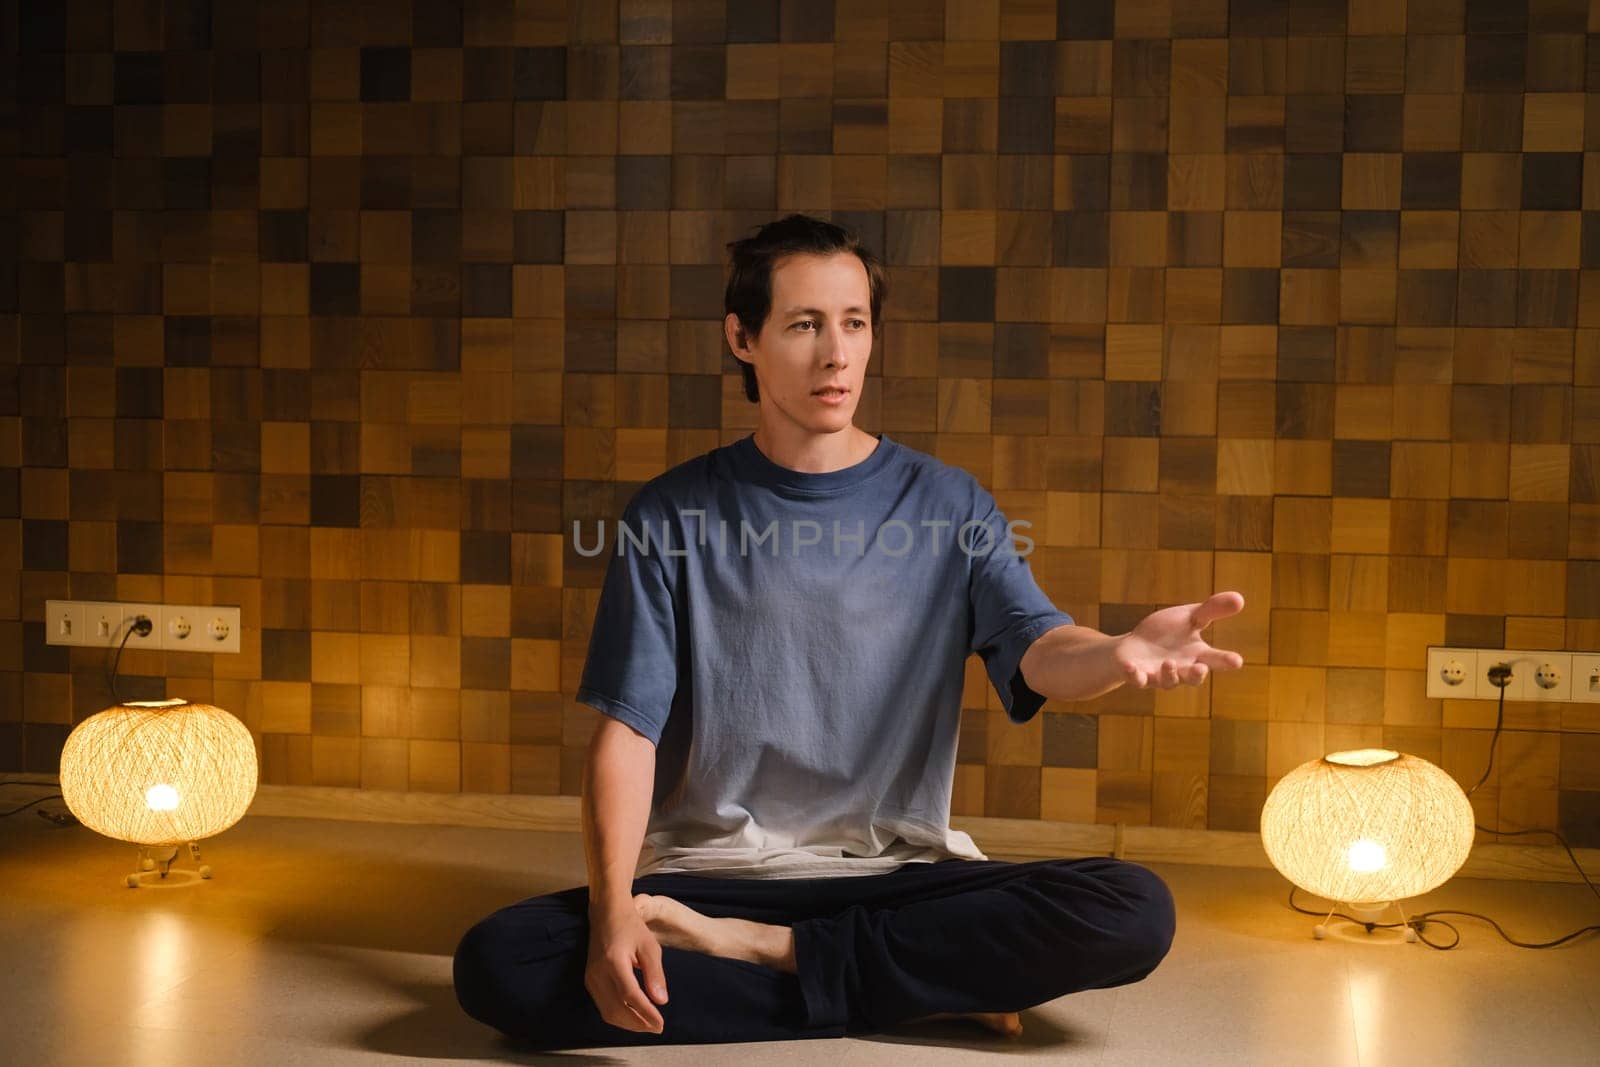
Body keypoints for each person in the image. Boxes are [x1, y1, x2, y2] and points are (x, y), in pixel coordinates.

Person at [453, 214, 1245, 1049]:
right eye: (804, 324)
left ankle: (773, 957)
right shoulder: (669, 514)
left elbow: (1041, 649)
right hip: (716, 878)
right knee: (498, 963)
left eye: (855, 323)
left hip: (901, 877)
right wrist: (614, 911)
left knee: (1135, 908)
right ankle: (911, 983)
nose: (837, 354)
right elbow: (628, 733)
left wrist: (1118, 653)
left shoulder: (948, 504)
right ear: (742, 338)